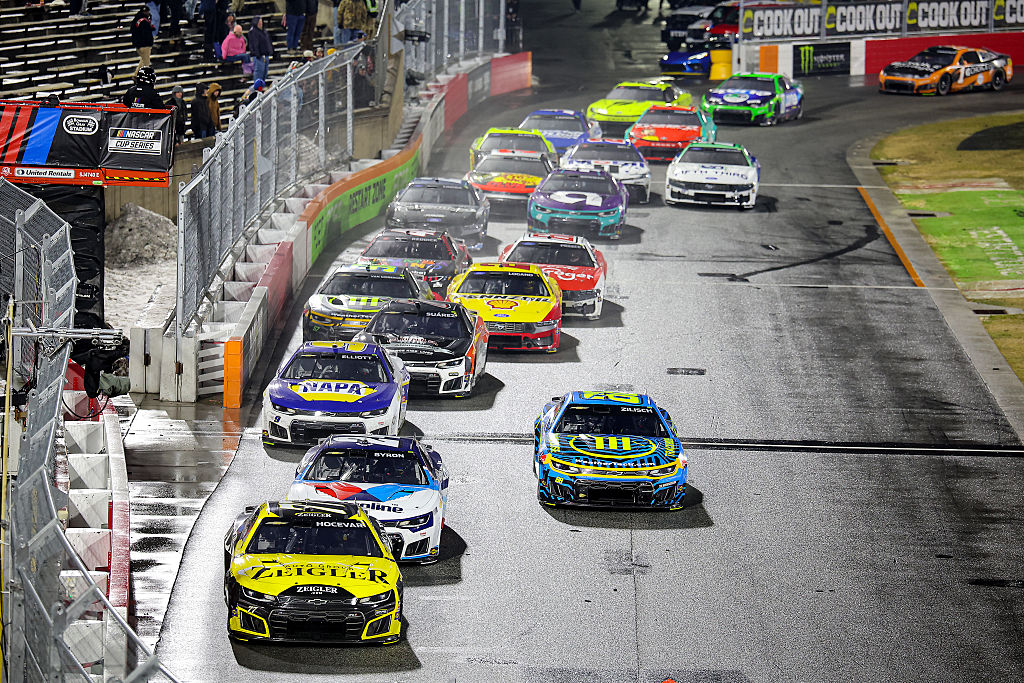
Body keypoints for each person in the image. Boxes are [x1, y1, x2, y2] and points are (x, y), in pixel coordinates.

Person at [129, 6, 156, 76]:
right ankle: (144, 78)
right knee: (146, 64)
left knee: (143, 60)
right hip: (144, 44)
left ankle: (136, 75)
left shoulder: (136, 19)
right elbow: (146, 33)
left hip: (138, 44)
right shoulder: (144, 21)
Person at [247, 15, 272, 84]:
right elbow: (254, 44)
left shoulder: (264, 31)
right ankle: (257, 89)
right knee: (259, 73)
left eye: (261, 21)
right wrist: (257, 53)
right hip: (258, 56)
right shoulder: (253, 32)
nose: (261, 23)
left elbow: (268, 42)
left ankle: (261, 87)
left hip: (265, 55)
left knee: (264, 73)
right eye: (259, 22)